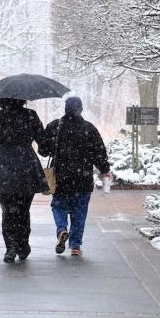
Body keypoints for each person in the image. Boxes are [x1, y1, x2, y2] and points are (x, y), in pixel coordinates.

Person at [40, 95, 111, 257]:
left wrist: (55, 147)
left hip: (61, 177)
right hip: (82, 179)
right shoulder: (89, 128)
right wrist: (104, 169)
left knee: (58, 206)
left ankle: (61, 229)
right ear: (80, 110)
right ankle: (75, 245)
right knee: (80, 211)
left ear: (65, 109)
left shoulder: (55, 126)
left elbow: (42, 150)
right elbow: (99, 153)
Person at [0, 97, 49, 262]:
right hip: (26, 164)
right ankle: (23, 245)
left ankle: (10, 247)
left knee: (7, 211)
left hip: (4, 166)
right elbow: (42, 140)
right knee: (23, 210)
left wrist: (3, 134)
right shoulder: (30, 115)